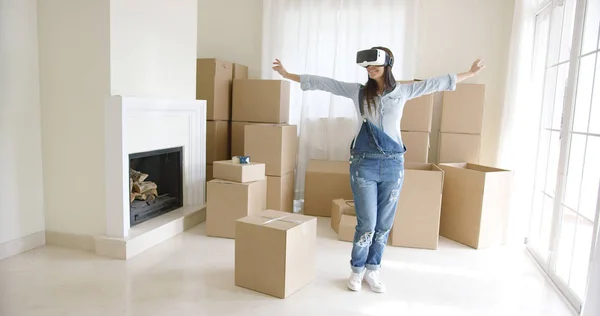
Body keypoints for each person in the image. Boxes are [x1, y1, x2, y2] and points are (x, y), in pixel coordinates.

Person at [272, 46, 485, 293]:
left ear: (388, 66)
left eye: (376, 66)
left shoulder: (404, 91)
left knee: (384, 224)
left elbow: (435, 83)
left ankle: (373, 270)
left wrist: (469, 73)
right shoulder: (359, 93)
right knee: (367, 223)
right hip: (364, 164)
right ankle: (356, 270)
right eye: (368, 67)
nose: (371, 70)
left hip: (394, 164)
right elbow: (327, 83)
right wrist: (288, 75)